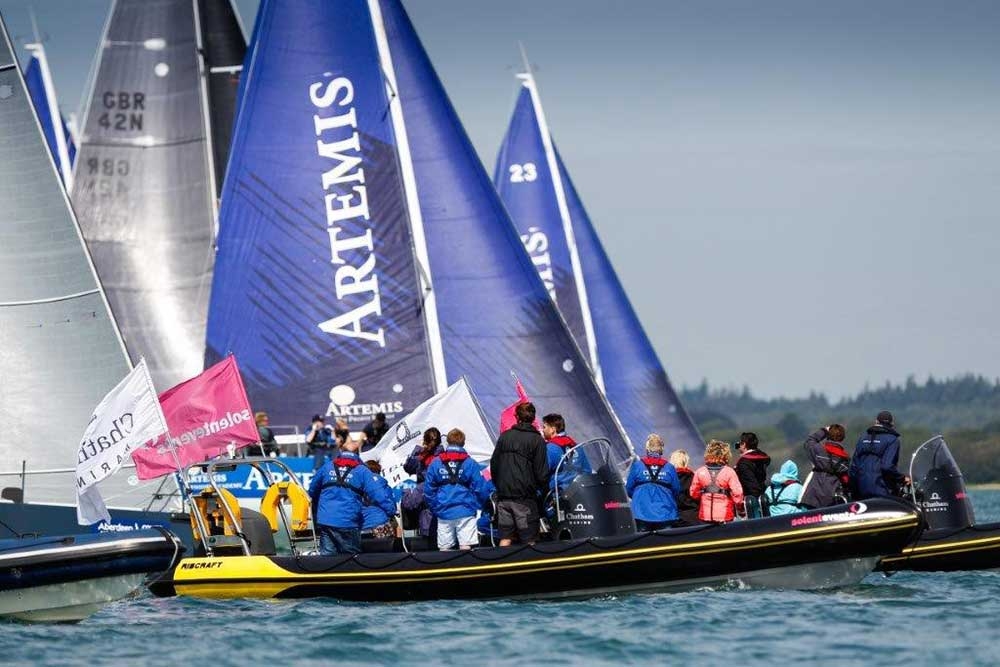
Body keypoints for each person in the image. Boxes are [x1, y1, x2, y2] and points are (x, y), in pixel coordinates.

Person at [308, 438, 395, 555]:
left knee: (327, 559)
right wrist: (391, 511)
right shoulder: (362, 471)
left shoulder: (326, 467)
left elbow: (312, 491)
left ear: (341, 451)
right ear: (358, 453)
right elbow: (378, 494)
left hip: (325, 520)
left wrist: (319, 512)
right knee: (351, 559)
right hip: (347, 522)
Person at [490, 402, 548, 546]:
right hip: (524, 498)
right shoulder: (537, 440)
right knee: (529, 539)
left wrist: (499, 485)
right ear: (533, 417)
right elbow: (541, 472)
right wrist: (543, 490)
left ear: (516, 417)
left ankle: (502, 560)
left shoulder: (504, 436)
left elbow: (494, 464)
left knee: (505, 538)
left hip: (504, 496)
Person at [424, 429, 492, 550]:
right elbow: (481, 488)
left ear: (447, 442)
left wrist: (436, 507)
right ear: (463, 443)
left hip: (443, 511)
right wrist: (475, 505)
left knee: (445, 548)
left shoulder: (436, 463)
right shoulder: (470, 463)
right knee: (466, 547)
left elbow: (429, 490)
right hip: (465, 511)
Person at [626, 434, 681, 531]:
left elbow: (628, 489)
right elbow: (676, 490)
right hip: (665, 513)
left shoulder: (638, 466)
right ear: (661, 449)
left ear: (647, 449)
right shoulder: (669, 467)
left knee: (642, 539)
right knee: (666, 539)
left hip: (641, 512)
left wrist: (638, 497)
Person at [850, 411, 909, 499]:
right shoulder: (892, 440)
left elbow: (854, 468)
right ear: (892, 423)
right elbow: (887, 467)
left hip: (861, 491)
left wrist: (854, 492)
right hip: (882, 491)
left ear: (876, 421)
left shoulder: (862, 438)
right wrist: (902, 478)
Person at [689, 440, 744, 523]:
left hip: (705, 515)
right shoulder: (729, 472)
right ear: (725, 455)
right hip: (725, 516)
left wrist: (704, 494)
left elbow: (693, 493)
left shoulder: (700, 471)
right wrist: (740, 508)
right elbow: (738, 494)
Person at [799, 424, 851, 509]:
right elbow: (846, 479)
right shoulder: (845, 458)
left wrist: (824, 431)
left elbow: (809, 441)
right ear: (842, 438)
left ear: (828, 435)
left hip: (812, 495)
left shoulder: (818, 450)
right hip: (830, 497)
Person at [734, 432, 770, 518]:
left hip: (750, 501)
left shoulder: (744, 462)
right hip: (763, 496)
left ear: (744, 444)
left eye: (740, 443)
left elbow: (750, 484)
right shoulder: (762, 458)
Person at [542, 413, 579, 494]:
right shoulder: (576, 446)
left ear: (552, 429)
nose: (542, 430)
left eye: (544, 427)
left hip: (556, 494)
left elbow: (541, 474)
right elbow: (586, 470)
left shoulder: (550, 448)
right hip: (576, 492)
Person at [362, 461, 399, 539]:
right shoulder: (381, 484)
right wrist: (391, 512)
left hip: (360, 525)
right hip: (379, 524)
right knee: (384, 546)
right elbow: (388, 503)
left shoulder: (357, 483)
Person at [669, 449, 700, 525]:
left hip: (675, 518)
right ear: (686, 461)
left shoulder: (668, 478)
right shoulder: (694, 477)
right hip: (694, 518)